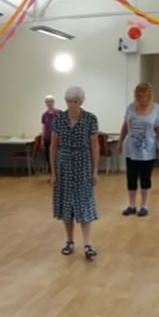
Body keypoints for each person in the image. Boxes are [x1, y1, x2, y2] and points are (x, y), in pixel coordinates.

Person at [50, 86, 99, 260]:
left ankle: (88, 244)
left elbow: (94, 145)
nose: (72, 105)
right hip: (64, 165)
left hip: (83, 164)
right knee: (66, 206)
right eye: (70, 101)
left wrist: (95, 170)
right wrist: (54, 172)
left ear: (81, 102)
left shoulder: (90, 119)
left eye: (76, 102)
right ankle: (69, 241)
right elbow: (53, 146)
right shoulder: (59, 119)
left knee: (84, 204)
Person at [118, 83, 159, 217]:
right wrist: (120, 141)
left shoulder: (156, 108)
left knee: (145, 178)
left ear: (149, 95)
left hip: (148, 151)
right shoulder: (130, 108)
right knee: (131, 178)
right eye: (139, 96)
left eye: (145, 95)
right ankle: (132, 205)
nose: (142, 98)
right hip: (131, 150)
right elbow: (125, 126)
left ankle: (144, 206)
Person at [40, 95, 62, 173]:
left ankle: (59, 175)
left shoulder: (59, 112)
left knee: (57, 157)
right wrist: (42, 139)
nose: (49, 103)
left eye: (51, 101)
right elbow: (44, 127)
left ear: (53, 102)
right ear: (45, 103)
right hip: (47, 138)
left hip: (58, 139)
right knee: (48, 157)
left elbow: (63, 125)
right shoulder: (44, 115)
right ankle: (53, 174)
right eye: (47, 102)